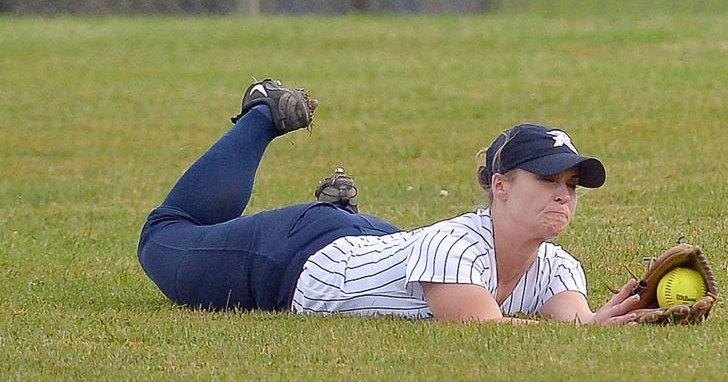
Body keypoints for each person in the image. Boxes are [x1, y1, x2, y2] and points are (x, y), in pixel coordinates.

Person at [137, 79, 642, 325]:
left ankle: (341, 212)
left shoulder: (556, 265)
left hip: (380, 241)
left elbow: (575, 321)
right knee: (163, 237)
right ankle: (264, 112)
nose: (563, 193)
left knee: (388, 253)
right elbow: (484, 330)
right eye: (549, 177)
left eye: (572, 185)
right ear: (500, 185)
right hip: (294, 255)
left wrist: (612, 319)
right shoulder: (457, 246)